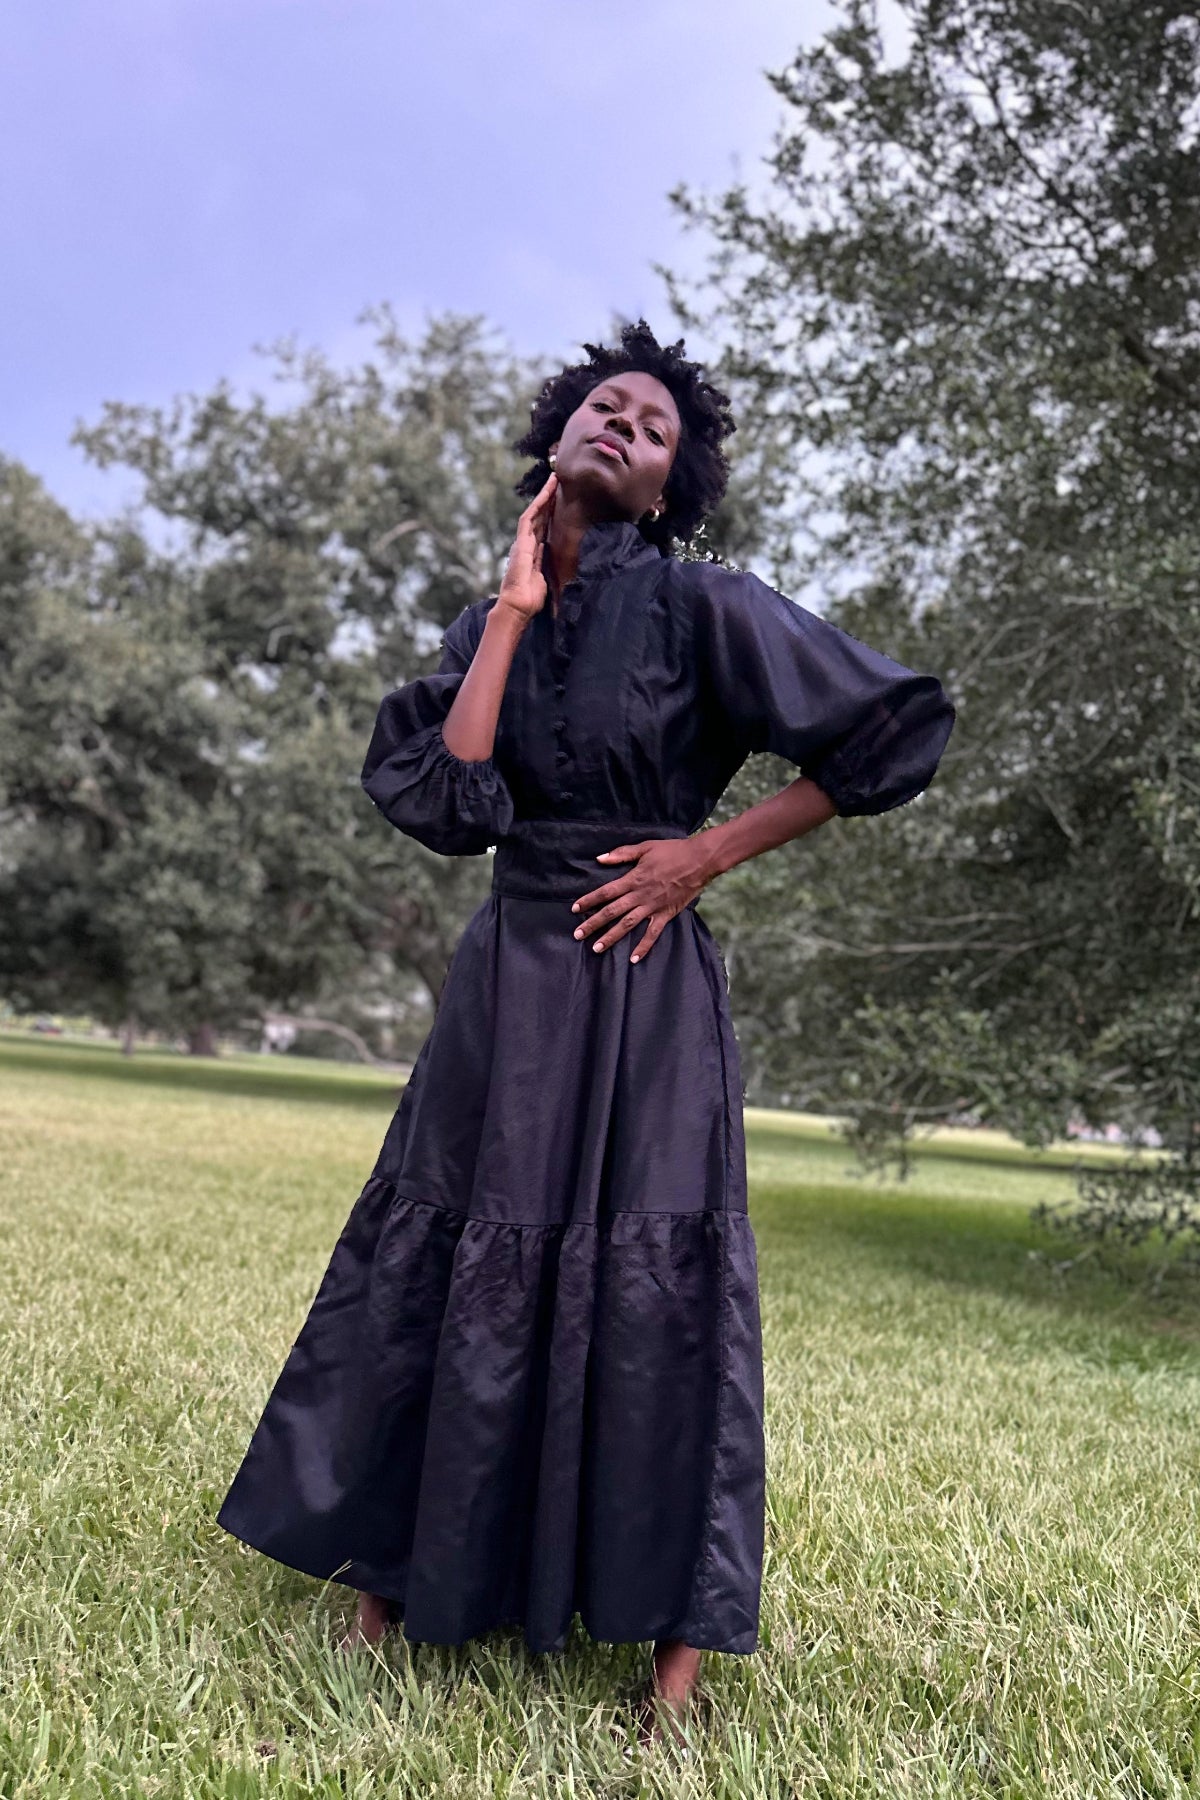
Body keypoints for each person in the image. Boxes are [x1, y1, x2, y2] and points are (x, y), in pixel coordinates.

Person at [217, 319, 956, 1749]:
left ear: (673, 485)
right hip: (509, 975)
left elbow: (890, 734)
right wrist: (509, 611)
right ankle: (397, 1580)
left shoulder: (705, 604)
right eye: (606, 407)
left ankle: (673, 1666)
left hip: (644, 977)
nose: (626, 424)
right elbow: (453, 805)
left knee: (654, 1281)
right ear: (558, 435)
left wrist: (705, 855)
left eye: (656, 427)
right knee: (447, 1249)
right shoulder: (485, 620)